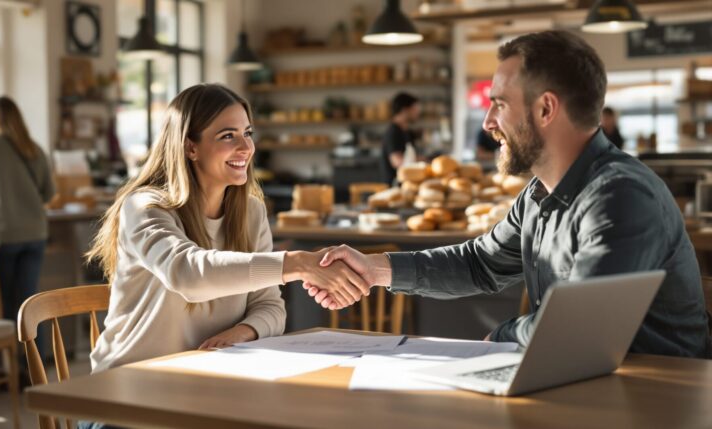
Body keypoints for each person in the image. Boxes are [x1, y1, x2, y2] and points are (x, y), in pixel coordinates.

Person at [306, 31, 711, 359]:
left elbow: (577, 328)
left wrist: (501, 335)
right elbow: (480, 263)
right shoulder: (538, 193)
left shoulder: (620, 197)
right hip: (588, 384)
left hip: (660, 396)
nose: (487, 123)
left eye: (499, 104)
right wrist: (376, 269)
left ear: (546, 110)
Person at [85, 84, 369, 375]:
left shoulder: (251, 213)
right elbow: (187, 273)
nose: (246, 148)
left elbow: (270, 307)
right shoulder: (144, 207)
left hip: (202, 381)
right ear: (189, 147)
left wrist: (244, 331)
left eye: (247, 133)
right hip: (124, 388)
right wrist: (296, 263)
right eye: (227, 136)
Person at [0, 96, 55, 322]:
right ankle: (33, 357)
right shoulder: (34, 147)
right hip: (36, 232)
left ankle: (9, 355)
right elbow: (48, 193)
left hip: (4, 232)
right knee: (30, 301)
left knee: (6, 301)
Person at [380, 92, 421, 184]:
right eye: (415, 109)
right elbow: (397, 161)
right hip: (395, 185)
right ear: (404, 110)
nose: (418, 112)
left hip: (407, 182)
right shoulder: (393, 132)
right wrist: (424, 161)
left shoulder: (406, 131)